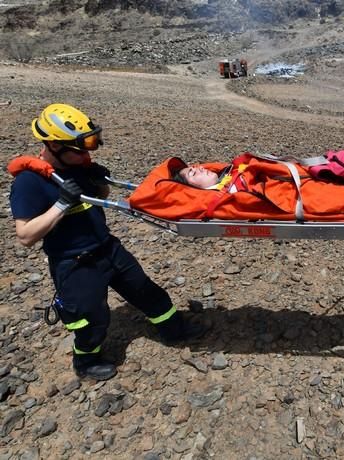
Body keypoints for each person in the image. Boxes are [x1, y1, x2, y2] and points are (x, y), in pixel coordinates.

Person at [10, 103, 204, 381]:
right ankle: (86, 362)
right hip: (75, 262)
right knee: (89, 318)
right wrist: (61, 204)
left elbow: (99, 195)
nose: (86, 154)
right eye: (80, 150)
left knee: (147, 291)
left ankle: (175, 330)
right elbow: (26, 235)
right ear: (53, 145)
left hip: (107, 248)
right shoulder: (29, 183)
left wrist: (98, 180)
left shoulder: (79, 167)